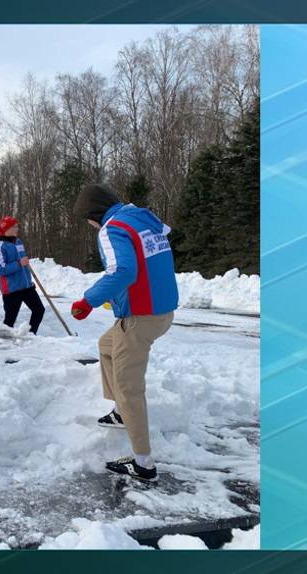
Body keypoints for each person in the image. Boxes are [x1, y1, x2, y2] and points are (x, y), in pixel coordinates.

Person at [70, 184, 178, 483]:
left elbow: (123, 272)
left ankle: (144, 464)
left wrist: (87, 300)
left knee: (130, 388)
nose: (90, 225)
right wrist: (118, 296)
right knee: (106, 344)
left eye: (87, 218)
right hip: (161, 311)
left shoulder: (111, 228)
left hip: (140, 317)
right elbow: (143, 264)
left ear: (94, 214)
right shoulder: (142, 220)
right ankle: (120, 412)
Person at [0, 216, 45, 334]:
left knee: (39, 310)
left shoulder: (18, 242)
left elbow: (24, 264)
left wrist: (28, 280)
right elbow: (0, 269)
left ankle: (31, 334)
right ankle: (4, 342)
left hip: (26, 287)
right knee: (10, 321)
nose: (17, 229)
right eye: (14, 227)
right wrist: (19, 263)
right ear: (6, 229)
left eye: (17, 226)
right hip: (11, 289)